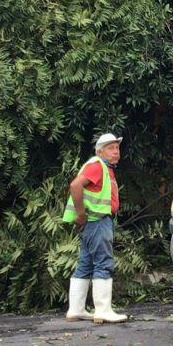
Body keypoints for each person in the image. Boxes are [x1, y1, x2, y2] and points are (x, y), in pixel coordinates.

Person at [62, 133, 127, 324]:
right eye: (110, 148)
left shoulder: (102, 167)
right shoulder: (98, 166)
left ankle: (76, 310)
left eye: (117, 147)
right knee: (103, 262)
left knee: (85, 263)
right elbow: (75, 185)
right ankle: (103, 310)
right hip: (97, 220)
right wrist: (81, 214)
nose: (116, 151)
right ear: (100, 152)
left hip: (91, 222)